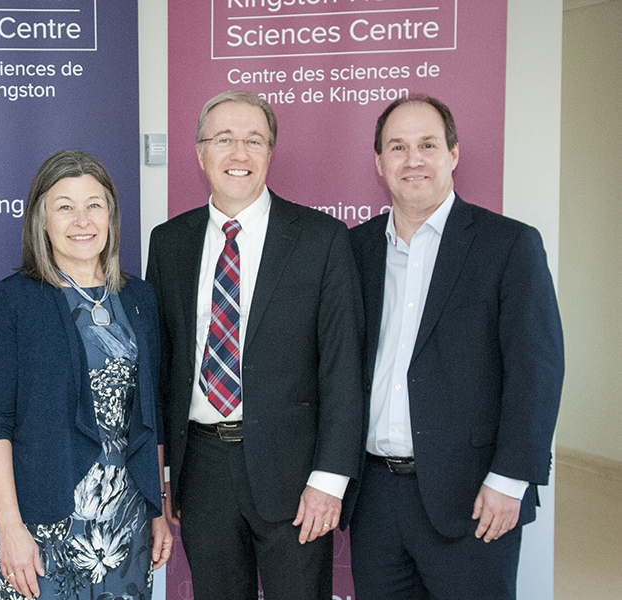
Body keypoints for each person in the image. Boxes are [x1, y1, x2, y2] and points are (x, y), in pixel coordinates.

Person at [145, 90, 365, 599]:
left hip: (296, 475)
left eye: (253, 141)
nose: (238, 154)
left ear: (270, 152)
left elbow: (343, 367)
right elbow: (162, 366)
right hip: (201, 472)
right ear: (200, 153)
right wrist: (163, 478)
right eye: (224, 139)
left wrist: (329, 480)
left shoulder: (321, 238)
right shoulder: (169, 241)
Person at [346, 94, 564, 599]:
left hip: (474, 497)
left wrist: (511, 479)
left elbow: (537, 370)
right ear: (379, 162)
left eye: (427, 144)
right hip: (375, 499)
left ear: (454, 154)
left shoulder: (508, 244)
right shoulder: (355, 250)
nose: (413, 159)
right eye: (397, 147)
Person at [0, 150, 173, 600]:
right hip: (43, 520)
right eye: (64, 206)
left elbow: (151, 415)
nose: (81, 220)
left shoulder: (139, 297)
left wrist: (158, 507)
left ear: (111, 216)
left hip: (128, 521)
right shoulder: (14, 300)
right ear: (42, 220)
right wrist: (10, 527)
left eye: (94, 205)